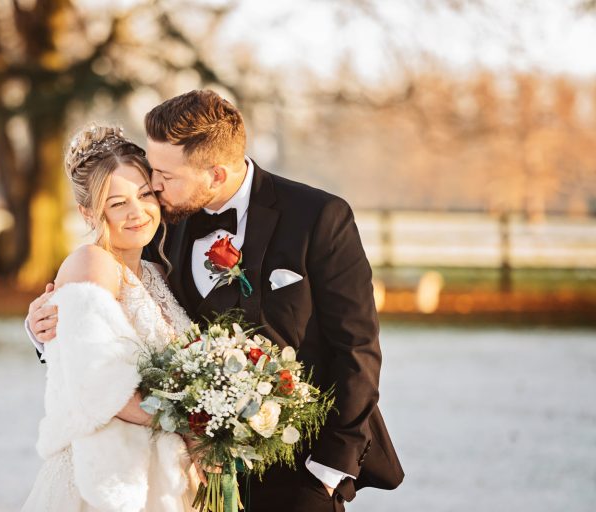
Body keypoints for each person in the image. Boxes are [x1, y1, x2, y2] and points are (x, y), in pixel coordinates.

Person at [28, 90, 404, 512]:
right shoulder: (161, 218)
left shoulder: (318, 216)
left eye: (163, 176)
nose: (154, 186)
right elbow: (103, 310)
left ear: (216, 174)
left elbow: (357, 348)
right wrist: (45, 330)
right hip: (185, 475)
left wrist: (328, 472)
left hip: (299, 470)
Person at [21, 125, 201, 512]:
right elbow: (102, 388)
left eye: (145, 194)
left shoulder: (156, 272)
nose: (138, 212)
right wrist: (194, 428)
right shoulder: (92, 263)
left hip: (164, 476)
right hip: (107, 478)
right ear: (89, 213)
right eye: (118, 203)